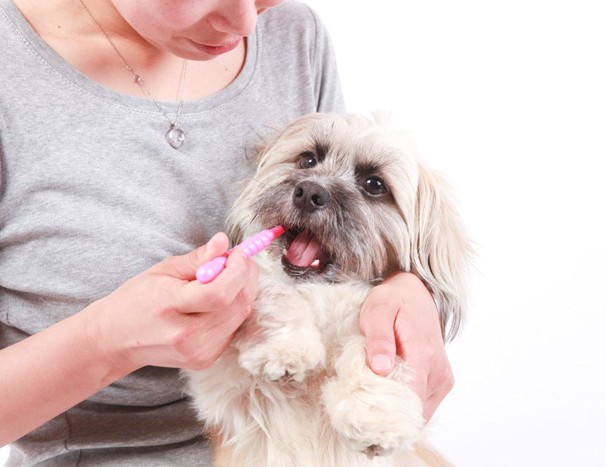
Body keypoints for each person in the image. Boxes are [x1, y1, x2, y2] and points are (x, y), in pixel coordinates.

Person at [0, 0, 455, 464]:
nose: (244, 24)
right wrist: (109, 340)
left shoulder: (294, 36)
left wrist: (412, 291)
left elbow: (350, 256)